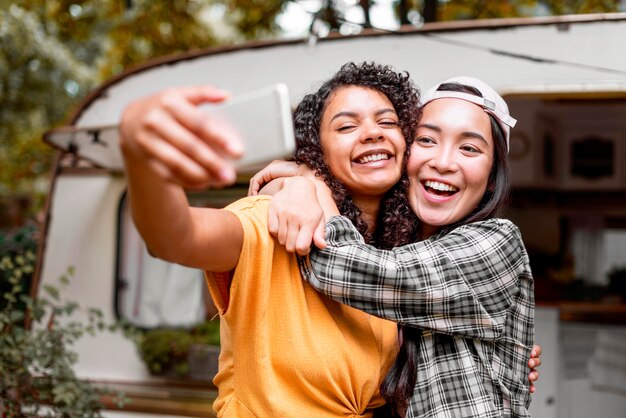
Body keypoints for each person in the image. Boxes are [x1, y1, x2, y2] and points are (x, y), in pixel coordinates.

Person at [119, 62, 422, 417]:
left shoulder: (397, 255)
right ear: (317, 151)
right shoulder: (274, 219)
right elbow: (176, 237)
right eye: (347, 126)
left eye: (387, 122)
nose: (373, 133)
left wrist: (302, 178)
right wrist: (142, 159)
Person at [252, 76, 535, 417]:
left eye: (470, 148)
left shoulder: (496, 242)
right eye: (427, 140)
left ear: (493, 175)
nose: (443, 162)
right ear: (403, 154)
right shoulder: (391, 240)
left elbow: (342, 266)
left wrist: (309, 179)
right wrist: (292, 186)